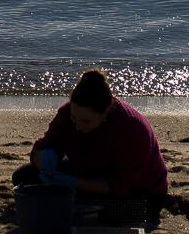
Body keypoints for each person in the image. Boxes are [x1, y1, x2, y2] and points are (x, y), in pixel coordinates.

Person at [17, 69, 169, 224]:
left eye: (86, 122)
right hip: (88, 170)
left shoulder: (131, 128)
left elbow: (118, 185)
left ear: (105, 113)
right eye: (74, 118)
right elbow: (44, 145)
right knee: (24, 176)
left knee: (100, 211)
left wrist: (72, 182)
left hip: (138, 191)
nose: (77, 126)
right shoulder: (66, 114)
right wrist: (43, 158)